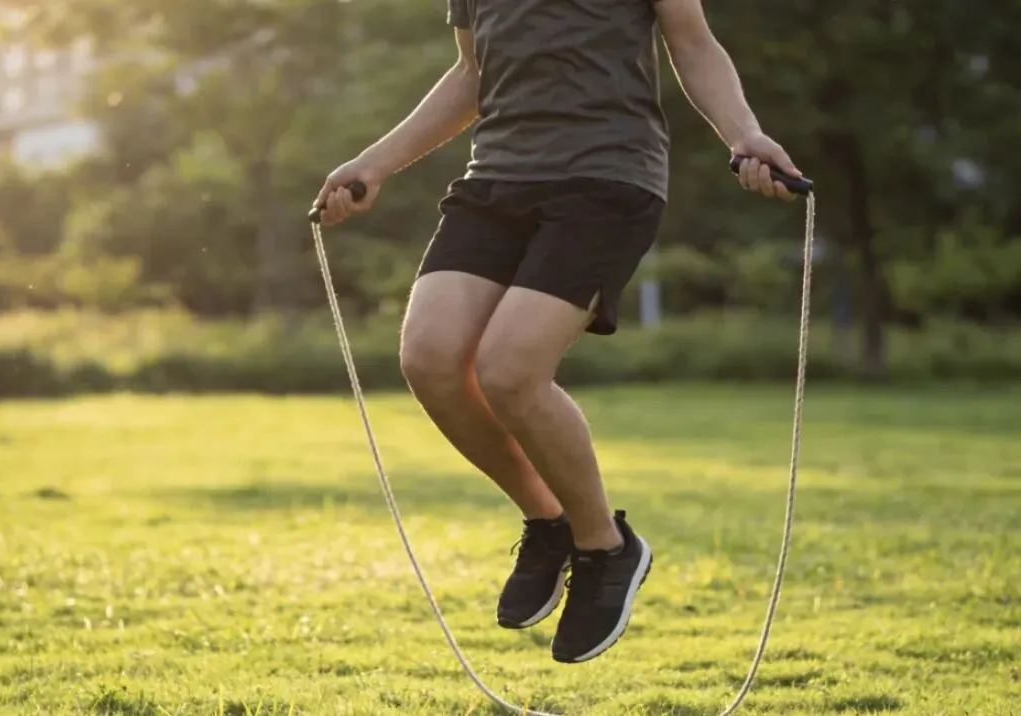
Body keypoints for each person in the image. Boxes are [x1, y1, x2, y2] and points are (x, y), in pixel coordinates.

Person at [312, 0, 802, 664]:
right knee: (429, 358)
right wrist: (372, 163)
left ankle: (604, 548)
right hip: (497, 179)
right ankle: (548, 521)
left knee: (510, 371)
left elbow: (692, 42)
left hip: (607, 177)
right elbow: (469, 74)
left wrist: (743, 134)